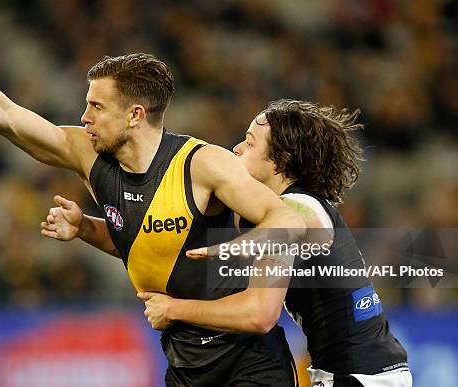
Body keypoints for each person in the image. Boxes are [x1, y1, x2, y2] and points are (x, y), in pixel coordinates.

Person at [0, 47, 304, 386]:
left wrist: (232, 249)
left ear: (134, 115)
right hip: (184, 362)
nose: (84, 117)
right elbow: (5, 115)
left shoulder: (202, 164)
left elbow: (287, 221)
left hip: (250, 362)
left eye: (97, 106)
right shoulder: (89, 156)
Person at [42, 100, 412, 387]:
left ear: (280, 160)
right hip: (361, 371)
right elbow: (164, 246)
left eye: (249, 143)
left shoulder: (296, 207)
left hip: (358, 377)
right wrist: (87, 228)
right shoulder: (262, 214)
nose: (235, 149)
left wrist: (175, 310)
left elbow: (258, 312)